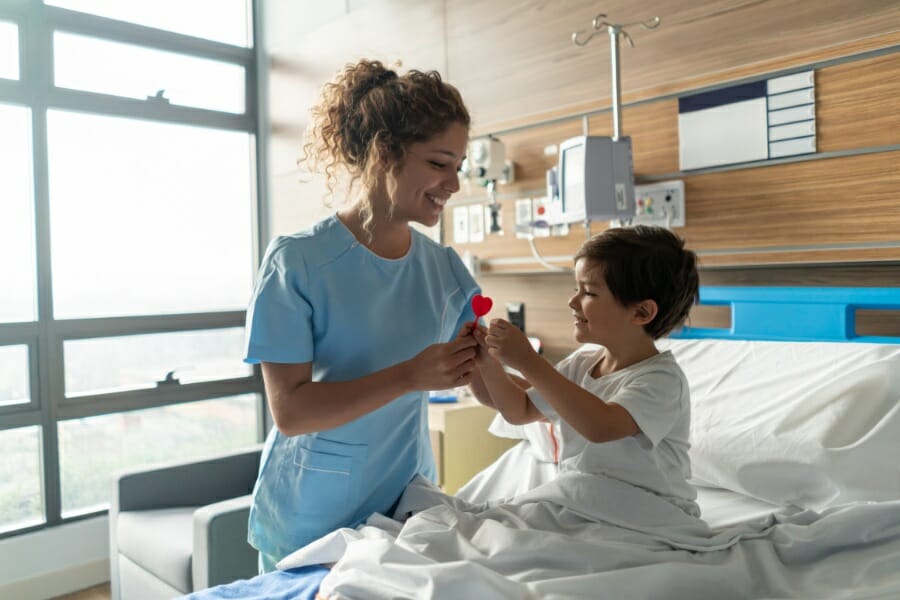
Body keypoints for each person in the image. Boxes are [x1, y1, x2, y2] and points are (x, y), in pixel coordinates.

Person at [243, 59, 481, 572]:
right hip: (312, 517)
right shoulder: (298, 262)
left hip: (404, 513)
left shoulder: (445, 271)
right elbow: (291, 411)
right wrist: (411, 375)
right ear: (383, 153)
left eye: (460, 166)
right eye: (440, 163)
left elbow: (485, 381)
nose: (454, 184)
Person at [465, 225, 701, 515]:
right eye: (576, 289)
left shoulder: (662, 380)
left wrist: (528, 360)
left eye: (588, 292)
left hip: (648, 514)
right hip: (586, 504)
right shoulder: (581, 365)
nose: (572, 301)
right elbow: (519, 409)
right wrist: (484, 363)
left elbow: (600, 426)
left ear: (641, 313)